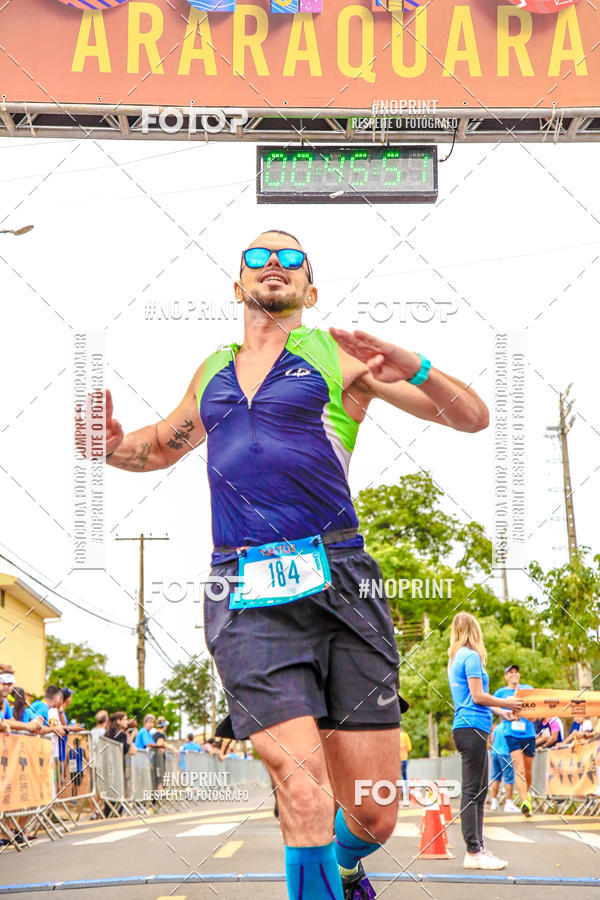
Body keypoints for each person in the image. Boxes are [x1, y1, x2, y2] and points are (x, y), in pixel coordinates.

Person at [98, 229, 489, 900]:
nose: (271, 265)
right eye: (257, 256)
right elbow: (159, 446)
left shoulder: (339, 356)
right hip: (244, 587)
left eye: (288, 259)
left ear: (309, 290)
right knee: (301, 787)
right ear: (237, 286)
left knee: (373, 811)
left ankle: (345, 862)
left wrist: (414, 365)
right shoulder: (211, 372)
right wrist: (107, 446)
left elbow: (472, 417)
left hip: (342, 581)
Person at [447, 613, 522, 870]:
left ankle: (477, 846)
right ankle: (473, 850)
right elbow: (478, 697)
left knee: (479, 791)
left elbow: (472, 698)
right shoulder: (471, 656)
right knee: (472, 791)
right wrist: (507, 702)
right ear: (474, 630)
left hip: (471, 727)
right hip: (472, 728)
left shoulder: (457, 657)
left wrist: (502, 712)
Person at [493, 665, 536, 817]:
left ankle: (526, 795)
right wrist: (504, 713)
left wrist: (531, 716)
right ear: (506, 676)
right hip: (511, 733)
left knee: (528, 769)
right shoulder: (501, 692)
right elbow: (492, 706)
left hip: (528, 733)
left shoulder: (527, 689)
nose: (514, 674)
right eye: (510, 672)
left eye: (516, 672)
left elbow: (535, 709)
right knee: (520, 768)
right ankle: (525, 801)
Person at [488, 721, 519, 813]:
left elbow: (492, 740)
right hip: (506, 753)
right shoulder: (511, 727)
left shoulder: (497, 727)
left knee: (495, 778)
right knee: (508, 779)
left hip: (495, 753)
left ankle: (494, 802)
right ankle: (508, 803)